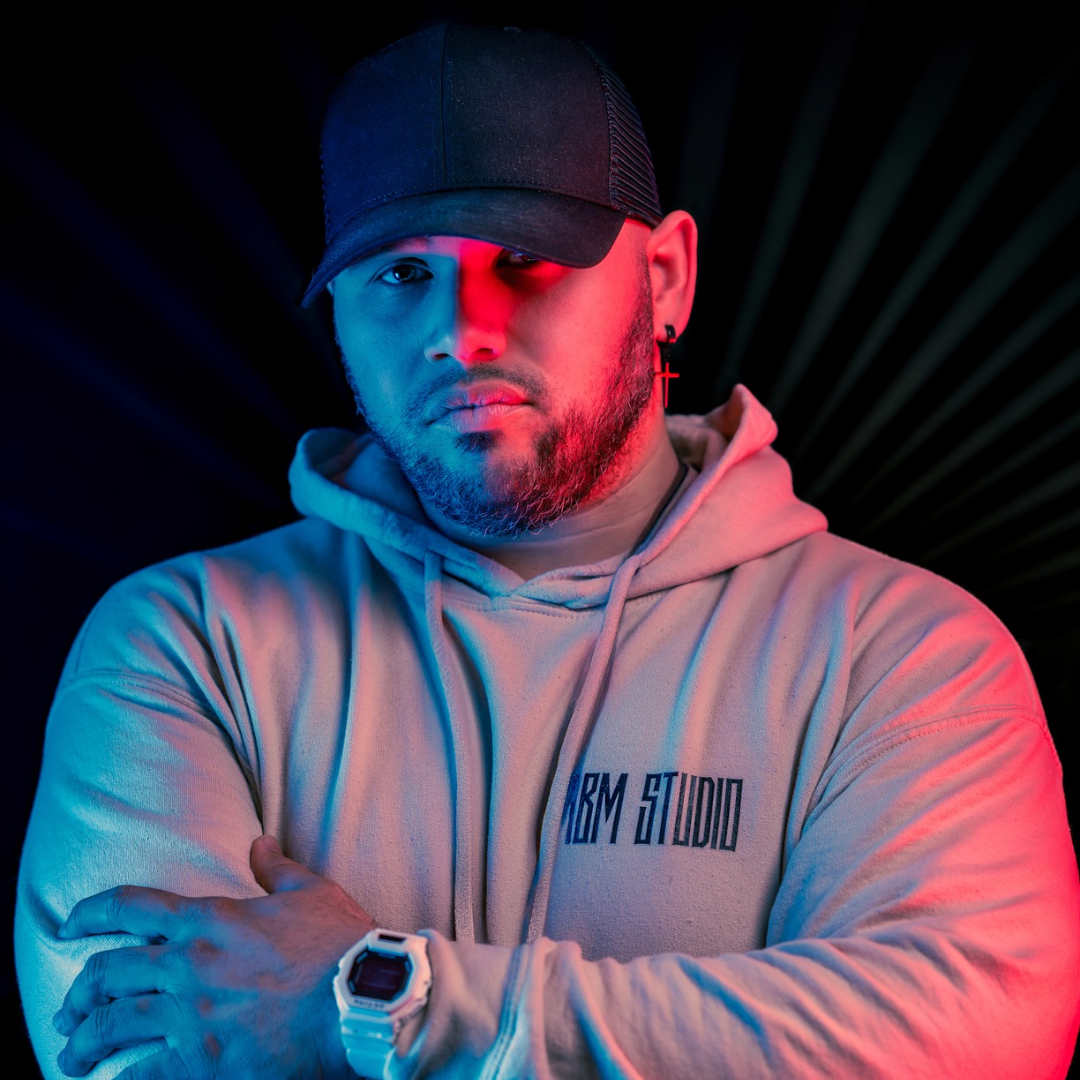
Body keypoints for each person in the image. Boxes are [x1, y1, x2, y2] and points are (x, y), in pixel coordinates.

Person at [16, 19, 1080, 1080]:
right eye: (400, 274)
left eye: (522, 258)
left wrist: (382, 1004)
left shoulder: (901, 654)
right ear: (338, 307)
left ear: (666, 277)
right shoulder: (186, 646)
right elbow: (132, 1055)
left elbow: (972, 1048)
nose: (460, 329)